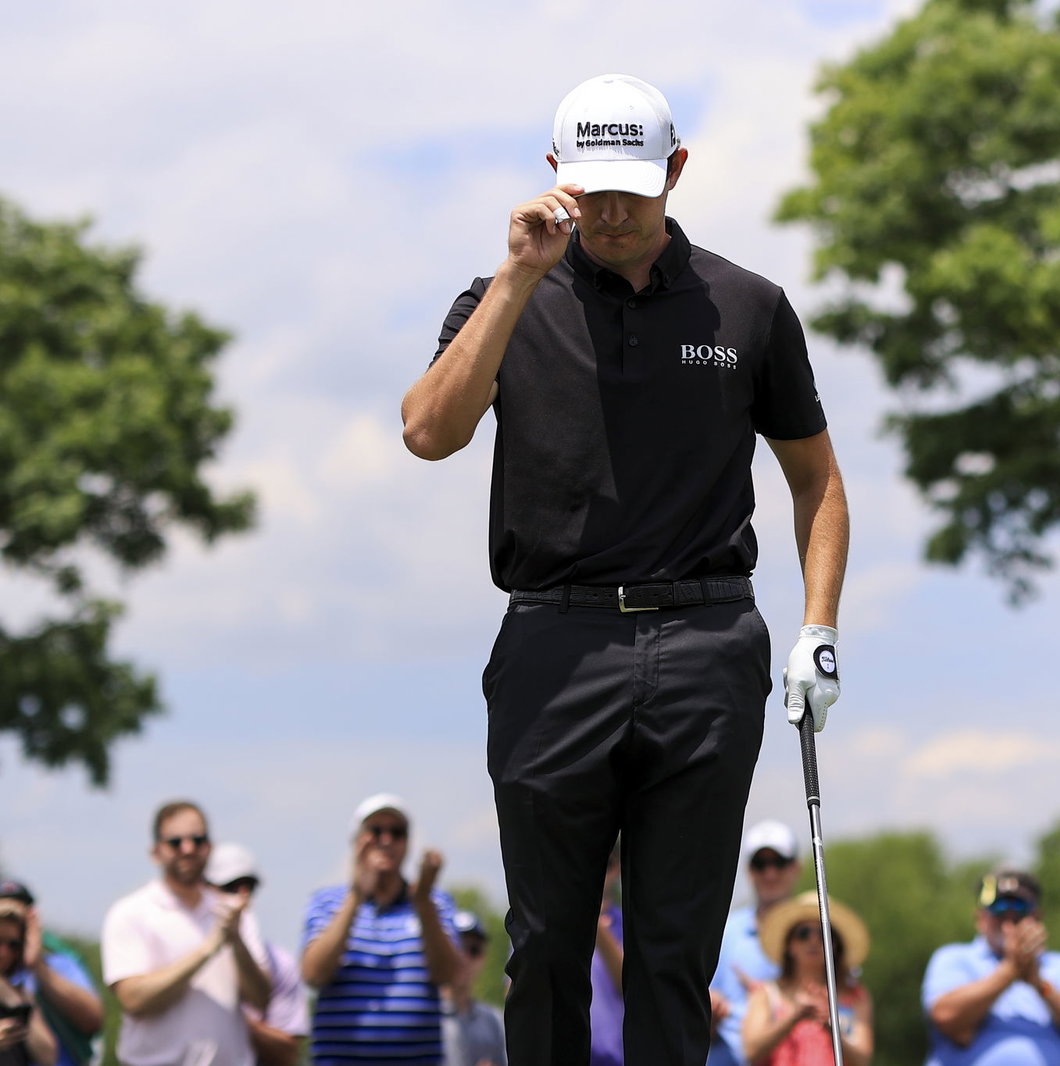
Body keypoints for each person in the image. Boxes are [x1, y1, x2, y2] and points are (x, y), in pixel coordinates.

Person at [401, 71, 849, 1066]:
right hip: (555, 641)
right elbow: (429, 431)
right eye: (591, 187)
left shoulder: (748, 305)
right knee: (549, 943)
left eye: (632, 189)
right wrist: (518, 276)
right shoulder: (500, 300)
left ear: (676, 173)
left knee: (671, 949)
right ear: (556, 175)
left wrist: (818, 627)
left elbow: (818, 483)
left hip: (706, 642)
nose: (609, 211)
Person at [101, 800, 271, 1066]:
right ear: (155, 852)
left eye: (197, 839)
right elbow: (133, 999)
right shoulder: (130, 912)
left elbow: (261, 999)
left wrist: (236, 942)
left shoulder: (235, 914)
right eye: (175, 842)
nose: (188, 849)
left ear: (210, 847)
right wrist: (208, 949)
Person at [301, 794, 461, 1065]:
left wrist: (422, 902)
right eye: (375, 831)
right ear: (357, 841)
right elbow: (313, 974)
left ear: (407, 844)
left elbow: (448, 975)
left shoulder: (434, 903)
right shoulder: (327, 902)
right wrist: (356, 896)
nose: (386, 840)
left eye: (396, 832)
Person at [922, 868, 1060, 1066]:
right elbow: (946, 1017)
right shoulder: (953, 958)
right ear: (980, 918)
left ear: (1038, 916)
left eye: (1019, 911)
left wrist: (1040, 985)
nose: (1008, 921)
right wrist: (1010, 971)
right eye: (998, 910)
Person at [710, 821, 805, 1066]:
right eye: (760, 865)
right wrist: (708, 1008)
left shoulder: (817, 932)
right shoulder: (724, 930)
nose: (769, 874)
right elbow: (700, 1008)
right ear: (749, 871)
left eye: (779, 863)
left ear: (796, 868)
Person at [207, 843, 310, 1066]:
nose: (242, 896)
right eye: (231, 887)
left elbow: (288, 1055)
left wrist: (231, 1019)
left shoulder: (281, 963)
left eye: (249, 886)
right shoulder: (184, 956)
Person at [742, 892, 872, 1066]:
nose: (813, 940)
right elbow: (751, 1053)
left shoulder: (856, 997)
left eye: (824, 933)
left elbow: (862, 1060)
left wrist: (830, 1026)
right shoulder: (766, 993)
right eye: (803, 933)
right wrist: (795, 1017)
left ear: (834, 945)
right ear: (789, 945)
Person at [0, 880, 102, 1066]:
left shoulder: (60, 963)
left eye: (12, 943)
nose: (4, 952)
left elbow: (92, 1022)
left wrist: (35, 965)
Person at [443, 911, 508, 1066]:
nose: (464, 957)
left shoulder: (495, 1021)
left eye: (474, 950)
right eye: (457, 946)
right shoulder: (420, 1016)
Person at [0, 900, 58, 1066]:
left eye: (13, 945)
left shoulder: (20, 993)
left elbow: (48, 1057)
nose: (4, 952)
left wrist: (16, 1001)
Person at [593, 843, 624, 1066]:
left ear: (618, 869)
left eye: (608, 863)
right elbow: (514, 992)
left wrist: (597, 931)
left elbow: (628, 983)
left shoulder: (630, 924)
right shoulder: (545, 923)